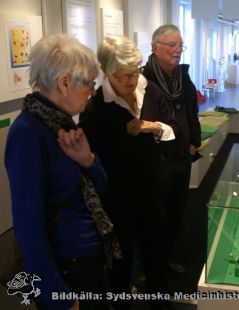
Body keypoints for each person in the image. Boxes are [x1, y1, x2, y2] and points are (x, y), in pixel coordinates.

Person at [5, 34, 120, 310]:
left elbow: (101, 189)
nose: (93, 92)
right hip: (68, 270)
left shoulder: (63, 123)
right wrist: (59, 297)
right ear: (65, 83)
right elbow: (28, 227)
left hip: (88, 259)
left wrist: (89, 160)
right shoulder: (28, 134)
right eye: (90, 84)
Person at [79, 35, 178, 309]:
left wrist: (153, 126)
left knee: (155, 259)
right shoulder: (96, 108)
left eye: (135, 73)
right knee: (119, 268)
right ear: (106, 72)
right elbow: (89, 160)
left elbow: (175, 130)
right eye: (123, 77)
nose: (131, 82)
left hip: (151, 193)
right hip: (117, 202)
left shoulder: (151, 91)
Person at [142, 24, 201, 273]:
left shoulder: (182, 77)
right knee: (154, 215)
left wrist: (193, 142)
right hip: (156, 160)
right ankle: (148, 267)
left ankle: (166, 258)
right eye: (172, 45)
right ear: (155, 47)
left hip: (181, 157)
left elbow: (192, 112)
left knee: (176, 213)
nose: (178, 50)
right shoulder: (143, 80)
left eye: (180, 45)